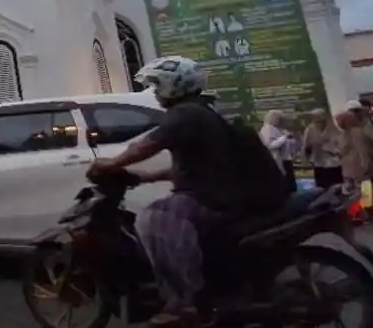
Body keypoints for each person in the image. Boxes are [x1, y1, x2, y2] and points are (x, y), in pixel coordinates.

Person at [86, 57, 243, 326]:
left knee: (154, 218)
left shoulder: (185, 113)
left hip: (209, 199)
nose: (155, 91)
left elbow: (148, 145)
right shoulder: (200, 110)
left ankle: (185, 301)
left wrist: (112, 163)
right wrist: (148, 178)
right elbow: (193, 166)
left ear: (175, 84)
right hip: (217, 193)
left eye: (158, 85)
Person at [302, 110, 344, 189]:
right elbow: (306, 146)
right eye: (315, 120)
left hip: (334, 163)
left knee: (337, 186)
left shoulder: (333, 128)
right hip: (319, 162)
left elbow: (341, 143)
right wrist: (305, 161)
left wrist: (334, 151)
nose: (317, 122)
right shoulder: (310, 129)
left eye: (319, 120)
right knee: (323, 187)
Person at [259, 110, 298, 193]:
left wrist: (291, 139)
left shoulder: (280, 129)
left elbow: (289, 144)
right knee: (285, 184)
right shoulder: (267, 129)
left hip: (286, 159)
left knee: (291, 184)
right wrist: (284, 138)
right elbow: (270, 145)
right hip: (277, 159)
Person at [336, 103, 373, 190]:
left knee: (363, 200)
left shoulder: (352, 134)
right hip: (357, 175)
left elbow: (364, 153)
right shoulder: (354, 133)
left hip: (357, 176)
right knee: (364, 200)